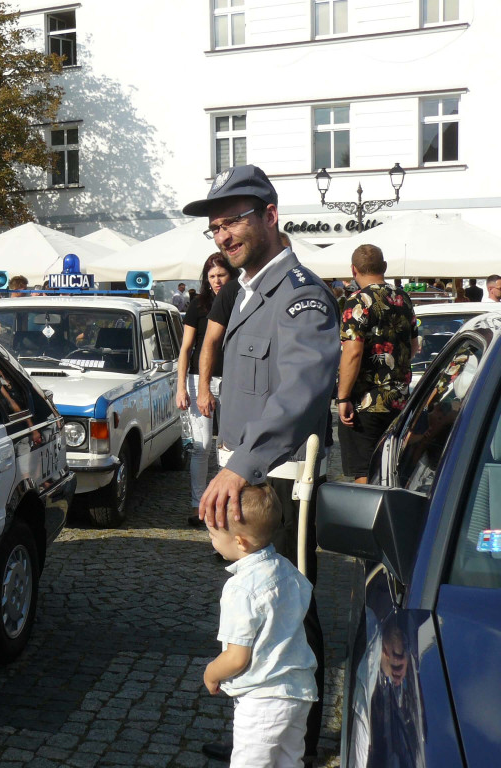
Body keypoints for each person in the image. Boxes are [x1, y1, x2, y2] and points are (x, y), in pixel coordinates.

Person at [183, 164, 339, 763]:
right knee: (261, 612)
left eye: (234, 221)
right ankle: (260, 723)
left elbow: (300, 392)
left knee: (294, 613)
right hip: (247, 475)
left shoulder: (299, 295)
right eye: (216, 227)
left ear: (270, 215)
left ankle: (293, 745)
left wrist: (238, 465)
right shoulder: (250, 288)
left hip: (275, 480)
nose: (223, 236)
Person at [204, 484, 317, 768]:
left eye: (214, 534)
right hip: (299, 692)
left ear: (240, 542)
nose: (211, 539)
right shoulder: (288, 568)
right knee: (289, 761)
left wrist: (212, 671)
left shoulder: (240, 589)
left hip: (263, 700)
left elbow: (237, 656)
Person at [337, 244, 417, 484]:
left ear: (354, 270)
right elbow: (413, 346)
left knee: (365, 474)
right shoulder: (403, 298)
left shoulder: (358, 301)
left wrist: (342, 397)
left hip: (366, 402)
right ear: (384, 267)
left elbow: (353, 353)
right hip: (399, 400)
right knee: (392, 472)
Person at [176, 253, 239, 528]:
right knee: (201, 448)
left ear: (231, 275)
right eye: (211, 276)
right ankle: (197, 504)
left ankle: (224, 504)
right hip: (198, 379)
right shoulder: (199, 305)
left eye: (221, 275)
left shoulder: (240, 301)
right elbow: (186, 349)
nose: (216, 281)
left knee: (229, 447)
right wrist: (181, 387)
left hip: (233, 381)